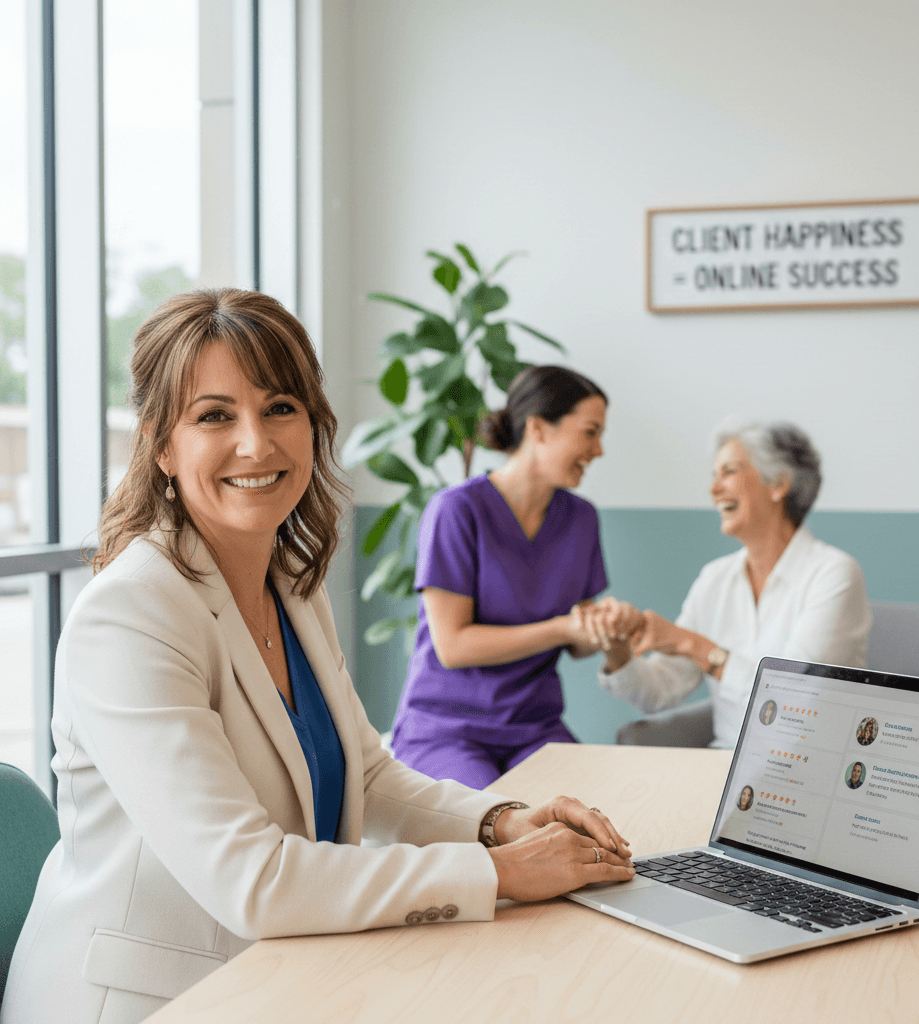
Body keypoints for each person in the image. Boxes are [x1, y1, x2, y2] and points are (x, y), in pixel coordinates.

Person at [0, 292, 633, 1024]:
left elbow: (368, 774)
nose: (256, 443)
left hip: (274, 975)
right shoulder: (131, 614)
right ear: (162, 446)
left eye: (279, 408)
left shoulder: (293, 589)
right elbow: (252, 878)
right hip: (145, 1003)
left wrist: (500, 823)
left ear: (313, 427)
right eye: (214, 416)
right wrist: (500, 873)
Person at [578, 421, 872, 749]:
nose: (713, 489)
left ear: (778, 484)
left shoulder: (834, 574)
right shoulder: (715, 579)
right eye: (714, 475)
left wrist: (692, 645)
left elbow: (793, 704)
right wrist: (616, 646)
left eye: (728, 472)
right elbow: (659, 692)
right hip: (724, 766)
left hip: (803, 774)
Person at [390, 365, 611, 788]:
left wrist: (600, 628)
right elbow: (453, 646)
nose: (599, 449)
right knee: (491, 819)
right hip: (447, 730)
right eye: (590, 431)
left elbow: (577, 644)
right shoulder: (456, 510)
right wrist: (562, 627)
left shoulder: (581, 519)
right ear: (538, 429)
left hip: (535, 731)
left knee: (594, 818)